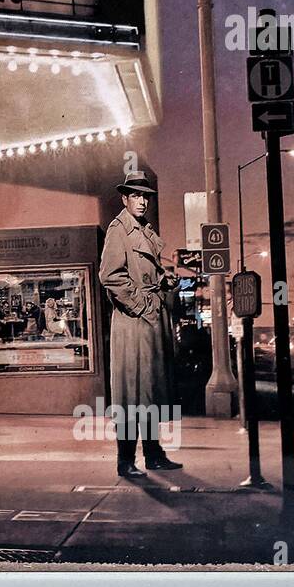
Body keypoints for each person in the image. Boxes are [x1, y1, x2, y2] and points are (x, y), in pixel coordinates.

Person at [99, 170, 182, 478]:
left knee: (151, 391)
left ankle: (154, 454)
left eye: (145, 196)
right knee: (132, 393)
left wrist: (164, 279)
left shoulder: (145, 230)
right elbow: (110, 276)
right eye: (136, 195)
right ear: (125, 198)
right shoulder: (119, 229)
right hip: (134, 321)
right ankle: (126, 460)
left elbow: (145, 271)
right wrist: (143, 304)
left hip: (150, 321)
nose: (142, 201)